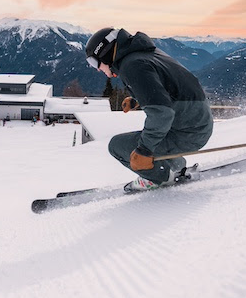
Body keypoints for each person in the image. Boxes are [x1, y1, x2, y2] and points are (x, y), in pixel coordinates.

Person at [85, 27, 214, 191]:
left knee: (117, 146)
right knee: (150, 135)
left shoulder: (132, 65)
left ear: (105, 52)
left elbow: (162, 114)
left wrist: (143, 151)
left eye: (94, 62)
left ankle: (160, 177)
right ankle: (176, 167)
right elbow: (165, 87)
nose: (96, 68)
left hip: (189, 132)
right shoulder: (143, 54)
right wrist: (138, 99)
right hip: (195, 121)